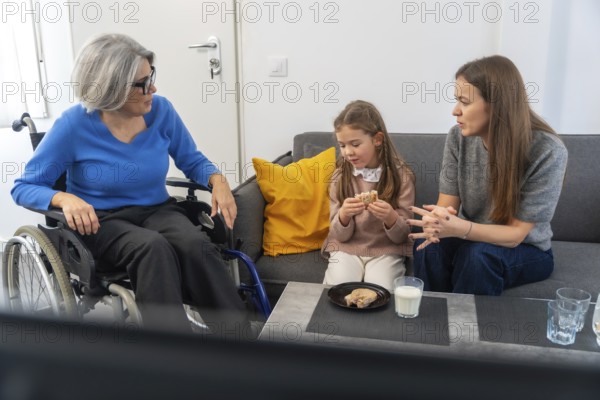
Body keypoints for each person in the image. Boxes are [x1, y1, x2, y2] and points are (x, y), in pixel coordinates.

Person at [11, 33, 250, 337]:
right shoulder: (73, 125)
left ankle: (241, 342)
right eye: (141, 84)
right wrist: (63, 198)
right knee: (152, 249)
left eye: (151, 77)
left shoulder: (161, 111)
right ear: (110, 87)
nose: (153, 88)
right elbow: (24, 187)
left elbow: (192, 160)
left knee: (195, 245)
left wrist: (218, 181)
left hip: (157, 211)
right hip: (100, 222)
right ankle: (173, 359)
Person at [407, 55, 568, 295]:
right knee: (428, 246)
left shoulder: (547, 151)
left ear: (496, 104)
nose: (455, 111)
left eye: (464, 102)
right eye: (456, 101)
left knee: (477, 256)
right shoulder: (457, 138)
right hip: (471, 239)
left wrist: (460, 229)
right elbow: (447, 208)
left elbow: (515, 235)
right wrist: (436, 223)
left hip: (525, 249)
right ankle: (430, 326)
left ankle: (465, 332)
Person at [321, 100, 415, 292]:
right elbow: (338, 234)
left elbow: (402, 235)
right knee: (337, 291)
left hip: (386, 250)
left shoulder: (402, 176)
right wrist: (344, 215)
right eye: (342, 145)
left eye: (355, 144)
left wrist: (391, 217)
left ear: (377, 139)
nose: (348, 152)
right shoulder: (340, 177)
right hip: (346, 248)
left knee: (381, 292)